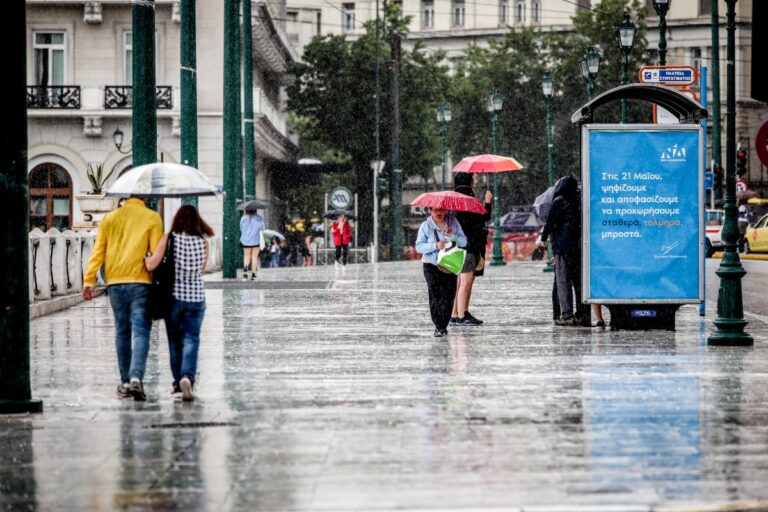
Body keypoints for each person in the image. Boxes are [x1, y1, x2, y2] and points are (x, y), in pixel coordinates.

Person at [82, 196, 164, 401]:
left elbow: (98, 250)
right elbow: (155, 255)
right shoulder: (152, 218)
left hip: (115, 282)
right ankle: (136, 377)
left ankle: (125, 381)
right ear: (145, 197)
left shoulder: (110, 219)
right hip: (141, 282)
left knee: (122, 331)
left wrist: (89, 280)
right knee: (141, 331)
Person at [144, 205, 213, 402]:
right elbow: (202, 268)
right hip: (197, 298)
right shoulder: (203, 242)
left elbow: (152, 264)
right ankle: (187, 377)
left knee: (175, 342)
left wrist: (146, 256)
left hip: (173, 297)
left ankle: (177, 384)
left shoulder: (169, 238)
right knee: (192, 339)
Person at [415, 207, 467, 337]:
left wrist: (453, 236)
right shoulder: (425, 226)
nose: (439, 213)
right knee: (435, 294)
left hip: (449, 264)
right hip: (431, 265)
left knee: (449, 295)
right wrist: (435, 246)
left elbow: (464, 241)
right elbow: (419, 246)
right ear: (430, 210)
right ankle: (439, 326)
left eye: (442, 210)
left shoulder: (453, 222)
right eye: (436, 210)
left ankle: (444, 322)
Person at [540, 176, 584, 326]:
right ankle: (582, 314)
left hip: (563, 248)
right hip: (578, 247)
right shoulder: (579, 201)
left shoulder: (558, 201)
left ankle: (566, 315)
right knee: (578, 282)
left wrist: (543, 238)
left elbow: (550, 222)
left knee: (563, 281)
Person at [450, 172, 492, 326]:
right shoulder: (468, 200)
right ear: (469, 183)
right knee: (466, 282)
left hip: (458, 247)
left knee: (460, 282)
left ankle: (455, 313)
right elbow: (484, 217)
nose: (474, 182)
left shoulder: (454, 201)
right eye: (472, 180)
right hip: (469, 246)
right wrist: (487, 202)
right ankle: (462, 315)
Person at [239, 208, 265, 280]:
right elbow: (263, 228)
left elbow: (241, 229)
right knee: (254, 257)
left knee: (246, 256)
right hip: (255, 241)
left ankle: (245, 272)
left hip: (245, 241)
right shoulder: (258, 218)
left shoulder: (243, 218)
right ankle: (253, 274)